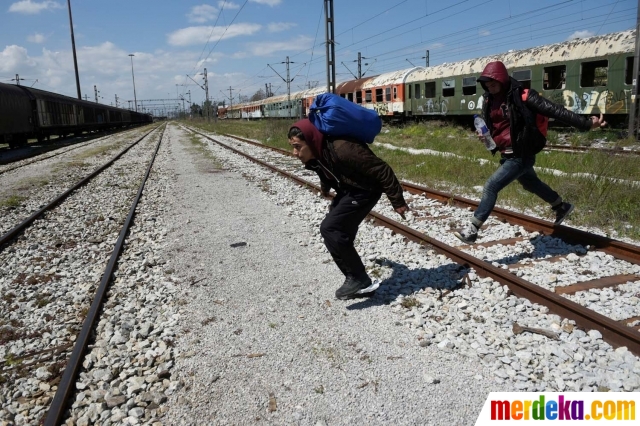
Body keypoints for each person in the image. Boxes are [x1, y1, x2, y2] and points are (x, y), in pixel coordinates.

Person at [454, 60, 607, 244]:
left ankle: (472, 230)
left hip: (520, 152)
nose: (490, 88)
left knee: (491, 186)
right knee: (531, 183)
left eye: (493, 84)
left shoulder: (524, 96)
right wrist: (484, 134)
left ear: (502, 80)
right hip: (506, 152)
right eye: (487, 85)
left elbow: (556, 111)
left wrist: (587, 124)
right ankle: (561, 206)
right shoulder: (489, 99)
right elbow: (495, 124)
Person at [288, 119, 409, 300]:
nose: (295, 153)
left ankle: (359, 279)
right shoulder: (318, 152)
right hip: (349, 190)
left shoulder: (343, 149)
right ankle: (359, 284)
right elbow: (324, 169)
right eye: (293, 147)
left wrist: (397, 201)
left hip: (365, 190)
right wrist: (325, 188)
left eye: (298, 147)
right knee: (339, 233)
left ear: (311, 141)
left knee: (330, 228)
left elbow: (382, 169)